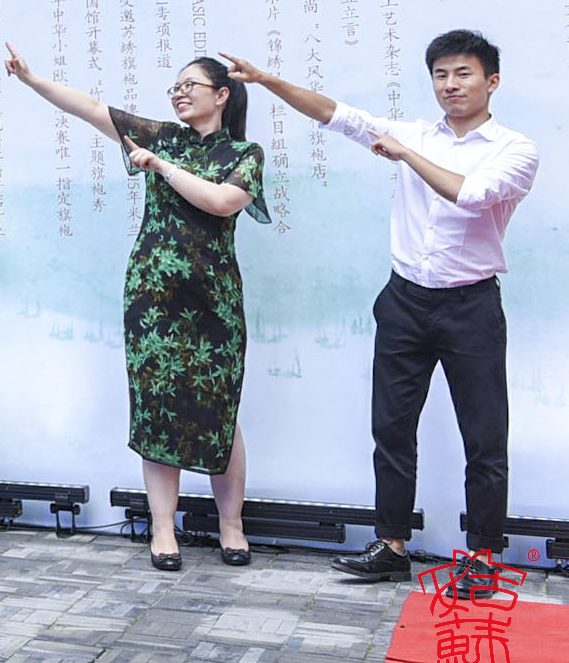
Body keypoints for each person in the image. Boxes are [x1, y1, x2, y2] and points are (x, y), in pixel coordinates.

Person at [224, 31, 537, 596]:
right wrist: (267, 80)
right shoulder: (414, 132)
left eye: (463, 73)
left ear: (491, 81)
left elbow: (470, 195)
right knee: (391, 429)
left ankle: (484, 556)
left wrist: (405, 155)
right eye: (440, 74)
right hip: (405, 300)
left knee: (484, 438)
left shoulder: (514, 149)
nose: (450, 85)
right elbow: (334, 114)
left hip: (471, 305)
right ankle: (391, 546)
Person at [5, 45, 267, 569]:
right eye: (175, 86)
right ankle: (163, 529)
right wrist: (33, 80)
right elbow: (89, 108)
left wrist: (161, 166)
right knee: (156, 409)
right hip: (153, 299)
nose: (179, 93)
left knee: (222, 411)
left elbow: (221, 202)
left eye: (190, 85)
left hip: (214, 300)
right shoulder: (161, 135)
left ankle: (231, 526)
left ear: (222, 95)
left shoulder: (244, 153)